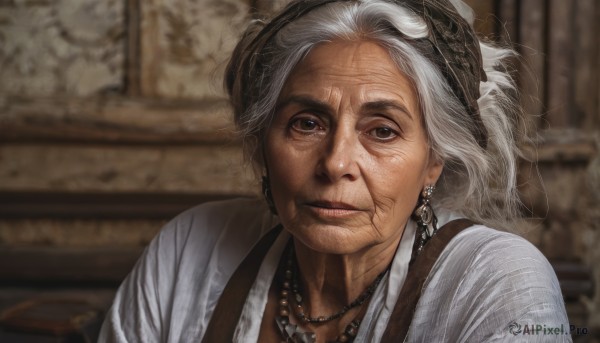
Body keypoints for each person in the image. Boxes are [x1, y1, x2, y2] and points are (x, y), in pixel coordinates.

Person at [99, 0, 570, 342]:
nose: (336, 163)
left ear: (433, 161)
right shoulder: (189, 250)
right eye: (306, 123)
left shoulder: (498, 282)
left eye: (382, 131)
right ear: (263, 143)